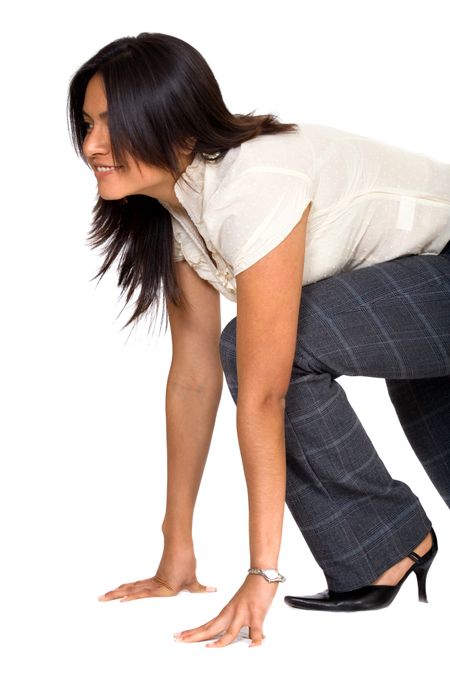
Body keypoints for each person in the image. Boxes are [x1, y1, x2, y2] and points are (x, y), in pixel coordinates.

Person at [67, 32, 450, 647]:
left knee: (269, 347)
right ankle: (387, 544)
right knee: (249, 348)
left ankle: (387, 542)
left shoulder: (252, 185)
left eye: (114, 124)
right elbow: (193, 381)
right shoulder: (181, 217)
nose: (91, 146)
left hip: (438, 275)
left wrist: (261, 572)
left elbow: (265, 390)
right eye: (86, 124)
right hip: (413, 295)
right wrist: (177, 549)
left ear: (175, 119)